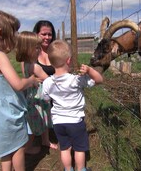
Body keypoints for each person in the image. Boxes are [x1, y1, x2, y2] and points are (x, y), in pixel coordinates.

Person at [0, 8, 40, 171]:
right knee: (18, 147)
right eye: (14, 34)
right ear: (0, 33)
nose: (16, 38)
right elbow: (17, 84)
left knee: (6, 149)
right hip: (8, 112)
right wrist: (31, 80)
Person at [41, 40, 103, 171]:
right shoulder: (76, 80)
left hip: (58, 122)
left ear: (51, 62)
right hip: (75, 121)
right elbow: (99, 80)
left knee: (64, 148)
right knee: (79, 149)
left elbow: (45, 99)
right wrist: (90, 70)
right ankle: (81, 169)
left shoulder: (47, 82)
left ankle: (68, 169)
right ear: (68, 60)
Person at [15, 31, 53, 154]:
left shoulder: (26, 63)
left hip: (32, 97)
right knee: (35, 125)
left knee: (42, 120)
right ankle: (27, 148)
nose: (39, 49)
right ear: (27, 49)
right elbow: (48, 79)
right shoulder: (35, 66)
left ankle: (45, 141)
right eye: (36, 47)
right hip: (38, 99)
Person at [32, 20, 58, 149]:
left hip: (57, 88)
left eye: (50, 34)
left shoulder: (55, 50)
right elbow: (28, 72)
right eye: (44, 34)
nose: (47, 37)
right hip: (41, 92)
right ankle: (44, 139)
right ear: (36, 34)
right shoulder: (32, 52)